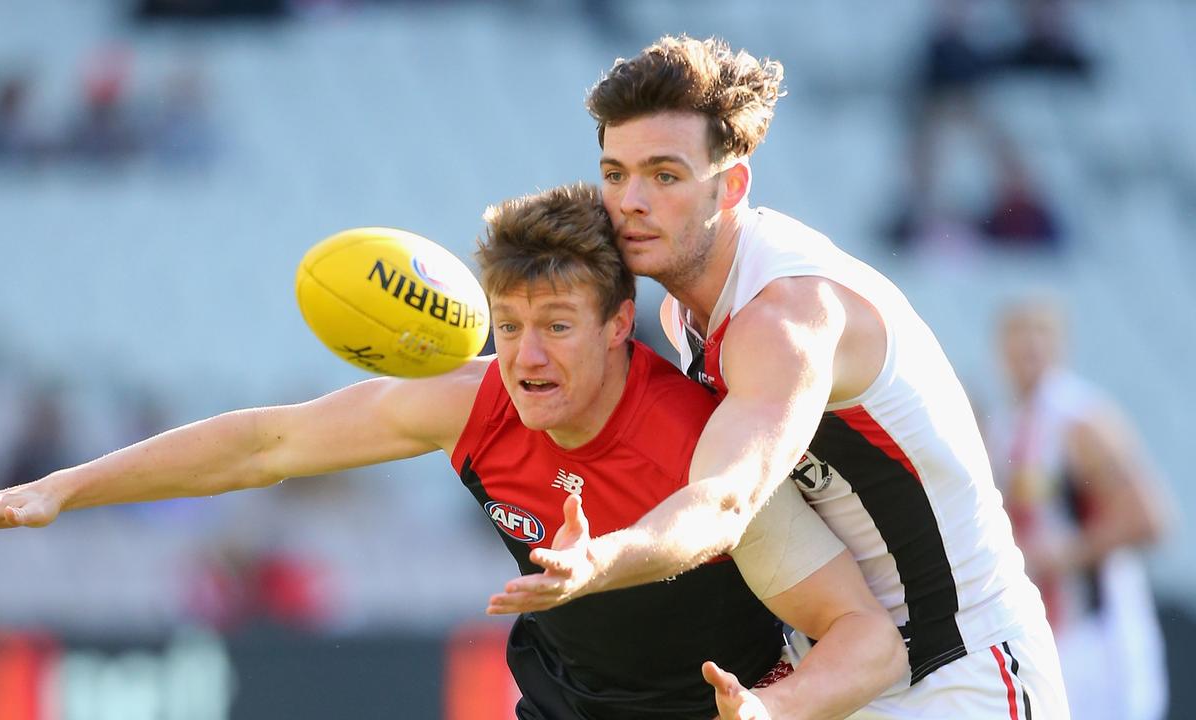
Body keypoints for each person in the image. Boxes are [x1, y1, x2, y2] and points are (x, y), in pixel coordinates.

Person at [0, 184, 904, 719]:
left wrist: (776, 719)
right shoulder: (476, 403)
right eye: (508, 324)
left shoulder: (706, 441)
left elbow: (861, 636)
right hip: (563, 707)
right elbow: (266, 443)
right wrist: (61, 488)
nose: (523, 355)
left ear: (617, 326)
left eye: (556, 325)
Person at [488, 36, 1071, 719]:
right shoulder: (685, 310)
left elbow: (727, 501)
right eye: (615, 174)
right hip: (839, 668)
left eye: (665, 176)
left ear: (731, 185)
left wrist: (602, 560)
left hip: (962, 672)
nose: (630, 203)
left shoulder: (783, 315)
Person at [989, 297, 1169, 720]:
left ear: (1060, 345)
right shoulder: (1005, 424)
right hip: (1048, 628)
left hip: (1100, 634)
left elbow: (1150, 519)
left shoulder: (1082, 421)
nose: (1029, 345)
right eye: (1019, 332)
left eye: (1041, 333)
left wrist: (1067, 551)